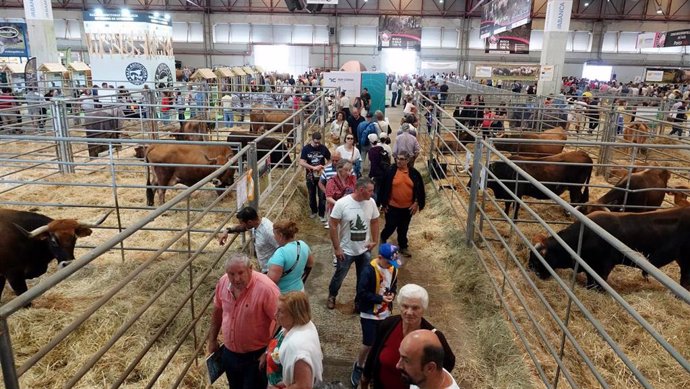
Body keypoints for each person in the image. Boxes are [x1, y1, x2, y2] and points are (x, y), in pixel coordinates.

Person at [207, 253, 280, 389]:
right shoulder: (223, 282)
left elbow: (281, 321)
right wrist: (212, 340)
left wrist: (267, 352)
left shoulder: (267, 289)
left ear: (250, 269)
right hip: (229, 352)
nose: (236, 279)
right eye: (231, 274)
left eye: (241, 273)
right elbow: (217, 311)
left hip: (255, 357)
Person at [361, 284, 455, 389]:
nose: (409, 312)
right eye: (405, 306)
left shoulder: (433, 336)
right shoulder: (388, 324)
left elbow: (449, 362)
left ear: (423, 309)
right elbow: (374, 353)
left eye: (415, 308)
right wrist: (365, 378)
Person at [351, 243, 400, 388]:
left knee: (380, 342)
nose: (391, 265)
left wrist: (392, 294)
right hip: (369, 314)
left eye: (393, 262)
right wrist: (380, 299)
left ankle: (373, 366)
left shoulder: (393, 269)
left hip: (385, 313)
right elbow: (361, 293)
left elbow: (393, 285)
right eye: (388, 262)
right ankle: (359, 365)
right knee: (368, 343)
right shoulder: (368, 270)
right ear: (380, 258)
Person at [327, 177, 380, 310]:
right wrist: (337, 248)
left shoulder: (371, 202)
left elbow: (374, 221)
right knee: (340, 275)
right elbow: (333, 225)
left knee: (363, 278)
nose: (372, 193)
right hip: (346, 250)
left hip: (364, 249)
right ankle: (332, 295)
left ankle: (359, 301)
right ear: (361, 190)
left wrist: (374, 240)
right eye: (370, 191)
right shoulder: (342, 203)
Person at [266, 291, 324, 389]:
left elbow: (303, 386)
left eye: (281, 311)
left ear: (295, 315)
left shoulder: (298, 348)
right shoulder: (294, 325)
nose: (275, 314)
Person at [378, 151, 426, 258]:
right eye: (397, 158)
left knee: (403, 228)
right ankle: (383, 238)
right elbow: (383, 188)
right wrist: (383, 204)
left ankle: (403, 246)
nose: (399, 161)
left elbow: (419, 190)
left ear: (408, 160)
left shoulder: (414, 173)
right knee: (390, 226)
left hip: (407, 208)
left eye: (402, 159)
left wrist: (416, 203)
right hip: (392, 206)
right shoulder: (390, 171)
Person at [218, 206, 280, 274]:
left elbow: (282, 249)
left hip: (273, 270)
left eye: (242, 223)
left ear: (249, 222)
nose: (241, 225)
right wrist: (227, 231)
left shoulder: (268, 231)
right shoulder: (255, 225)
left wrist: (277, 271)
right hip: (265, 268)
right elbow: (242, 228)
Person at [266, 220, 314, 294]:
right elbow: (310, 264)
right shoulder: (303, 245)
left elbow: (271, 281)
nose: (274, 237)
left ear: (281, 235)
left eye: (275, 234)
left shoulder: (280, 253)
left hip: (283, 296)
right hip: (299, 291)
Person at [299, 132, 331, 221]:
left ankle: (321, 214)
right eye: (315, 142)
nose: (317, 144)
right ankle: (314, 211)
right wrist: (313, 167)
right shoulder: (306, 149)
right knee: (311, 194)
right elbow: (302, 162)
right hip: (310, 175)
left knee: (322, 195)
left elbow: (330, 159)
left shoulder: (323, 148)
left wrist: (324, 167)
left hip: (321, 175)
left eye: (318, 142)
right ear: (312, 139)